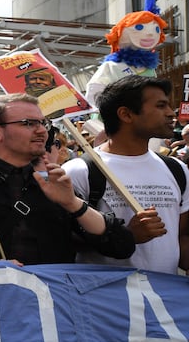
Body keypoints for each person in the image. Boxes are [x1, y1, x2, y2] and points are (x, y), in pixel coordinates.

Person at [0, 93, 126, 265]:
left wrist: (73, 204)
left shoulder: (56, 183)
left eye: (42, 123)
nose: (42, 131)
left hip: (54, 301)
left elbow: (121, 246)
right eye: (28, 123)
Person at [63, 76, 189, 273]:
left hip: (165, 297)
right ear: (126, 114)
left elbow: (180, 238)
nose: (169, 113)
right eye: (161, 105)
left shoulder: (177, 170)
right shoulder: (79, 171)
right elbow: (64, 242)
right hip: (105, 298)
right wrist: (126, 235)